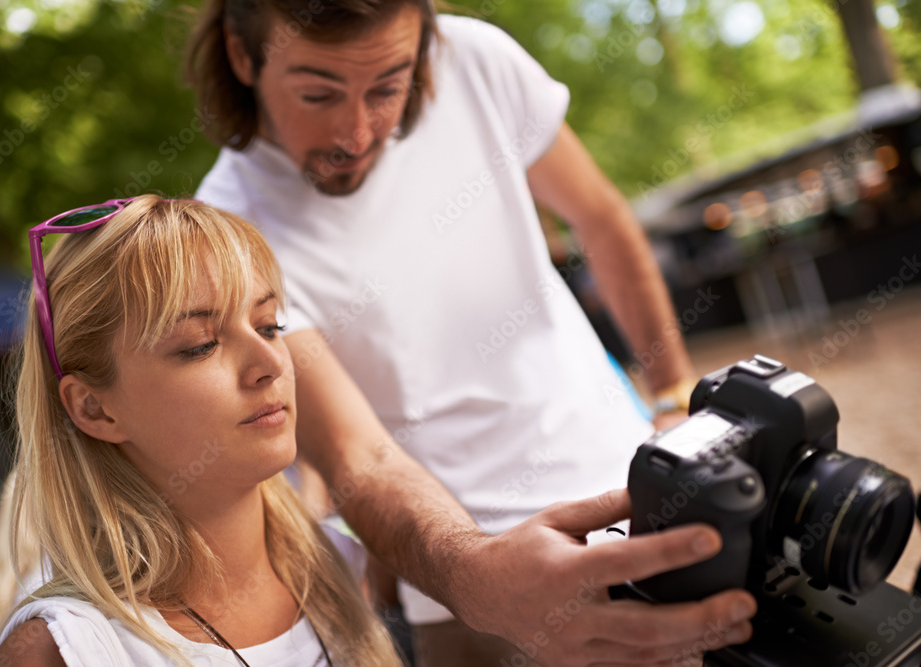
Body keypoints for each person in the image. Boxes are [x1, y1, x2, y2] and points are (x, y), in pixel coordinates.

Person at [186, 1, 758, 665]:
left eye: (388, 86)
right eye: (317, 92)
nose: (357, 130)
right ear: (241, 54)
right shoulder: (230, 232)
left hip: (645, 500)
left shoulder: (476, 60)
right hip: (468, 598)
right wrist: (477, 576)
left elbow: (600, 218)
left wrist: (673, 391)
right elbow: (356, 459)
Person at [0, 196, 403, 666]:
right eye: (201, 346)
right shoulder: (68, 651)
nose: (271, 364)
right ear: (94, 409)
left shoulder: (345, 569)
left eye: (269, 326)